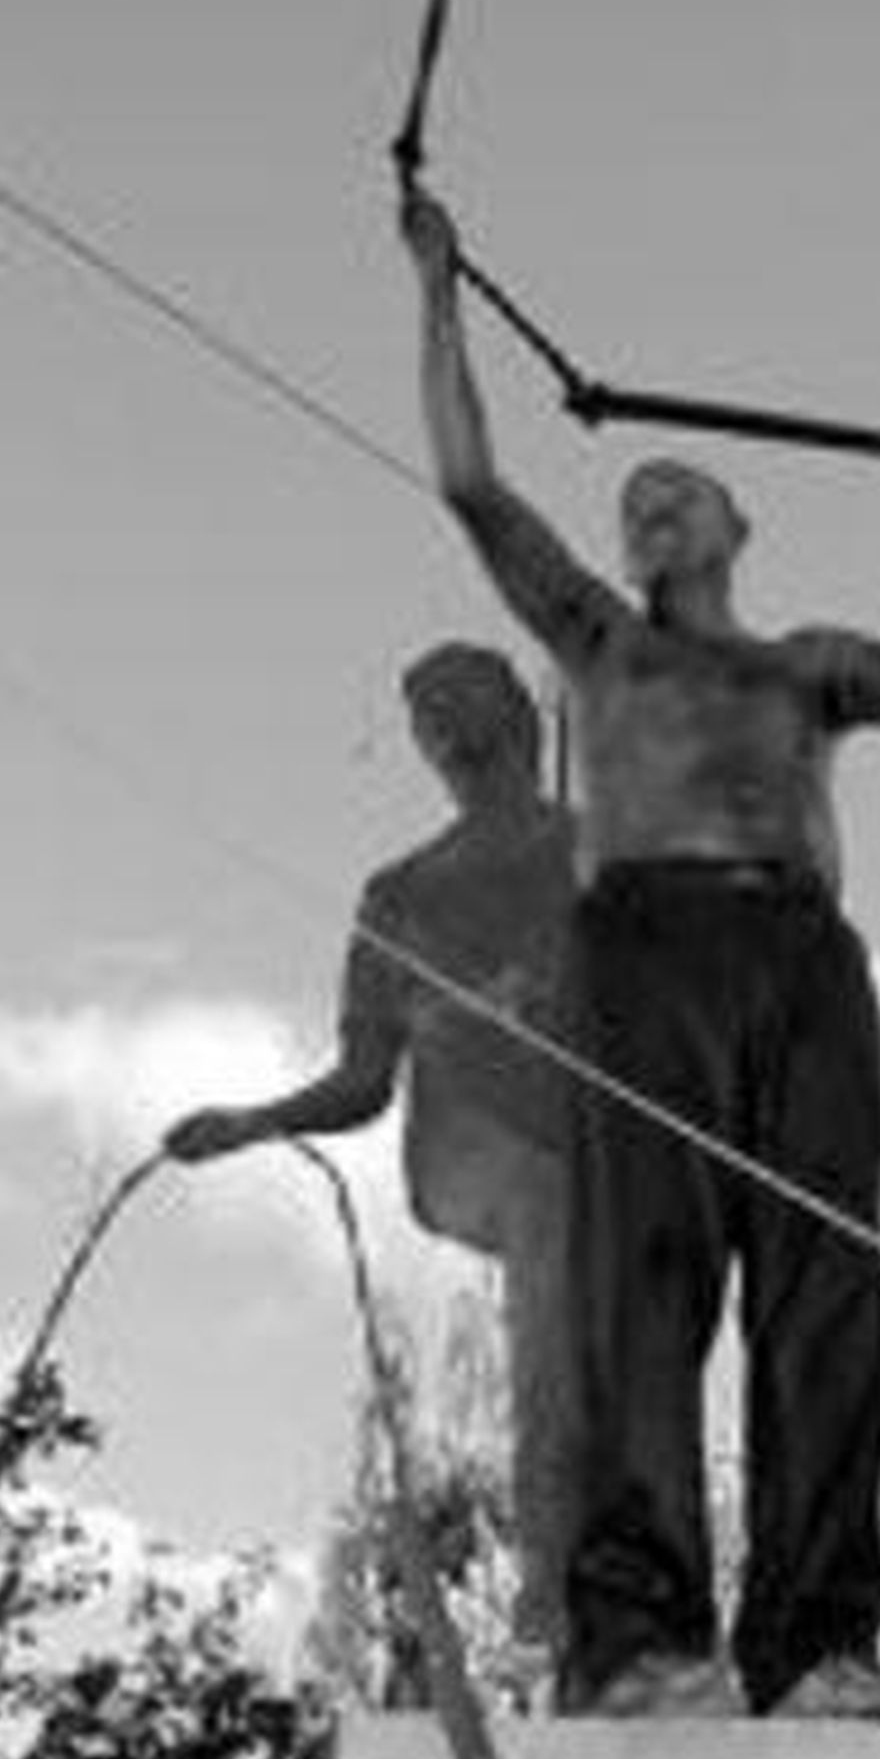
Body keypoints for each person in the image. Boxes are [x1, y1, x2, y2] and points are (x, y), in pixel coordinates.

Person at [399, 184, 880, 1721]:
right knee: (644, 1286)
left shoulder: (806, 664)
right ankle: (639, 1641)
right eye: (633, 502)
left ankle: (820, 1641)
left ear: (740, 526)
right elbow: (474, 486)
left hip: (803, 957)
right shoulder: (599, 643)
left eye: (677, 492)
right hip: (645, 949)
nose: (647, 511)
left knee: (824, 1286)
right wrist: (439, 291)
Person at [165, 640, 580, 1651]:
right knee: (552, 1260)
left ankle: (632, 1585)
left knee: (619, 1337)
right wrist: (253, 1122)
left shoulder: (599, 848)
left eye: (461, 694)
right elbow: (361, 1082)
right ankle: (555, 1582)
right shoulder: (399, 892)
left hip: (613, 1149)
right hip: (479, 1154)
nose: (441, 718)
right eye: (424, 709)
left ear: (520, 713)